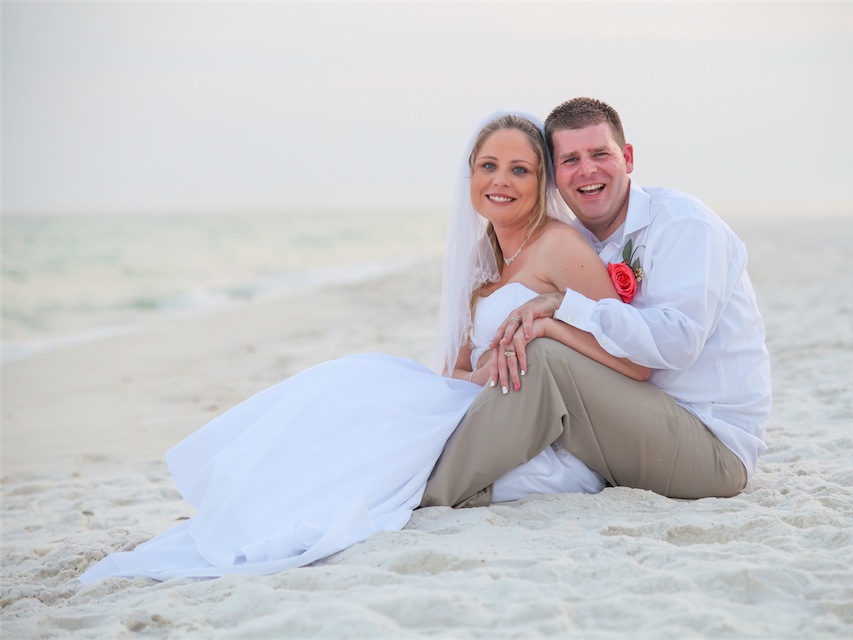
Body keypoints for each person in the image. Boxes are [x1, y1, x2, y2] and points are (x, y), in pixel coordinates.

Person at [78, 109, 650, 583]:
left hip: (539, 434)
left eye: (520, 169)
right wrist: (469, 380)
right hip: (476, 403)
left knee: (364, 400)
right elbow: (457, 365)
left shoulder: (559, 246)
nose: (501, 180)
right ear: (469, 175)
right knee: (348, 387)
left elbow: (628, 357)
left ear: (542, 181)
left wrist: (546, 329)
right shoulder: (483, 256)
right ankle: (257, 505)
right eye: (488, 166)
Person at [420, 97, 772, 508]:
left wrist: (558, 310)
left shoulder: (682, 224)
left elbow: (677, 343)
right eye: (570, 160)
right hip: (624, 420)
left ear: (628, 157)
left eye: (600, 154)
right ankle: (424, 470)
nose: (587, 170)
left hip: (710, 443)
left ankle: (432, 492)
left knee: (544, 354)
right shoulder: (579, 241)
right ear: (555, 177)